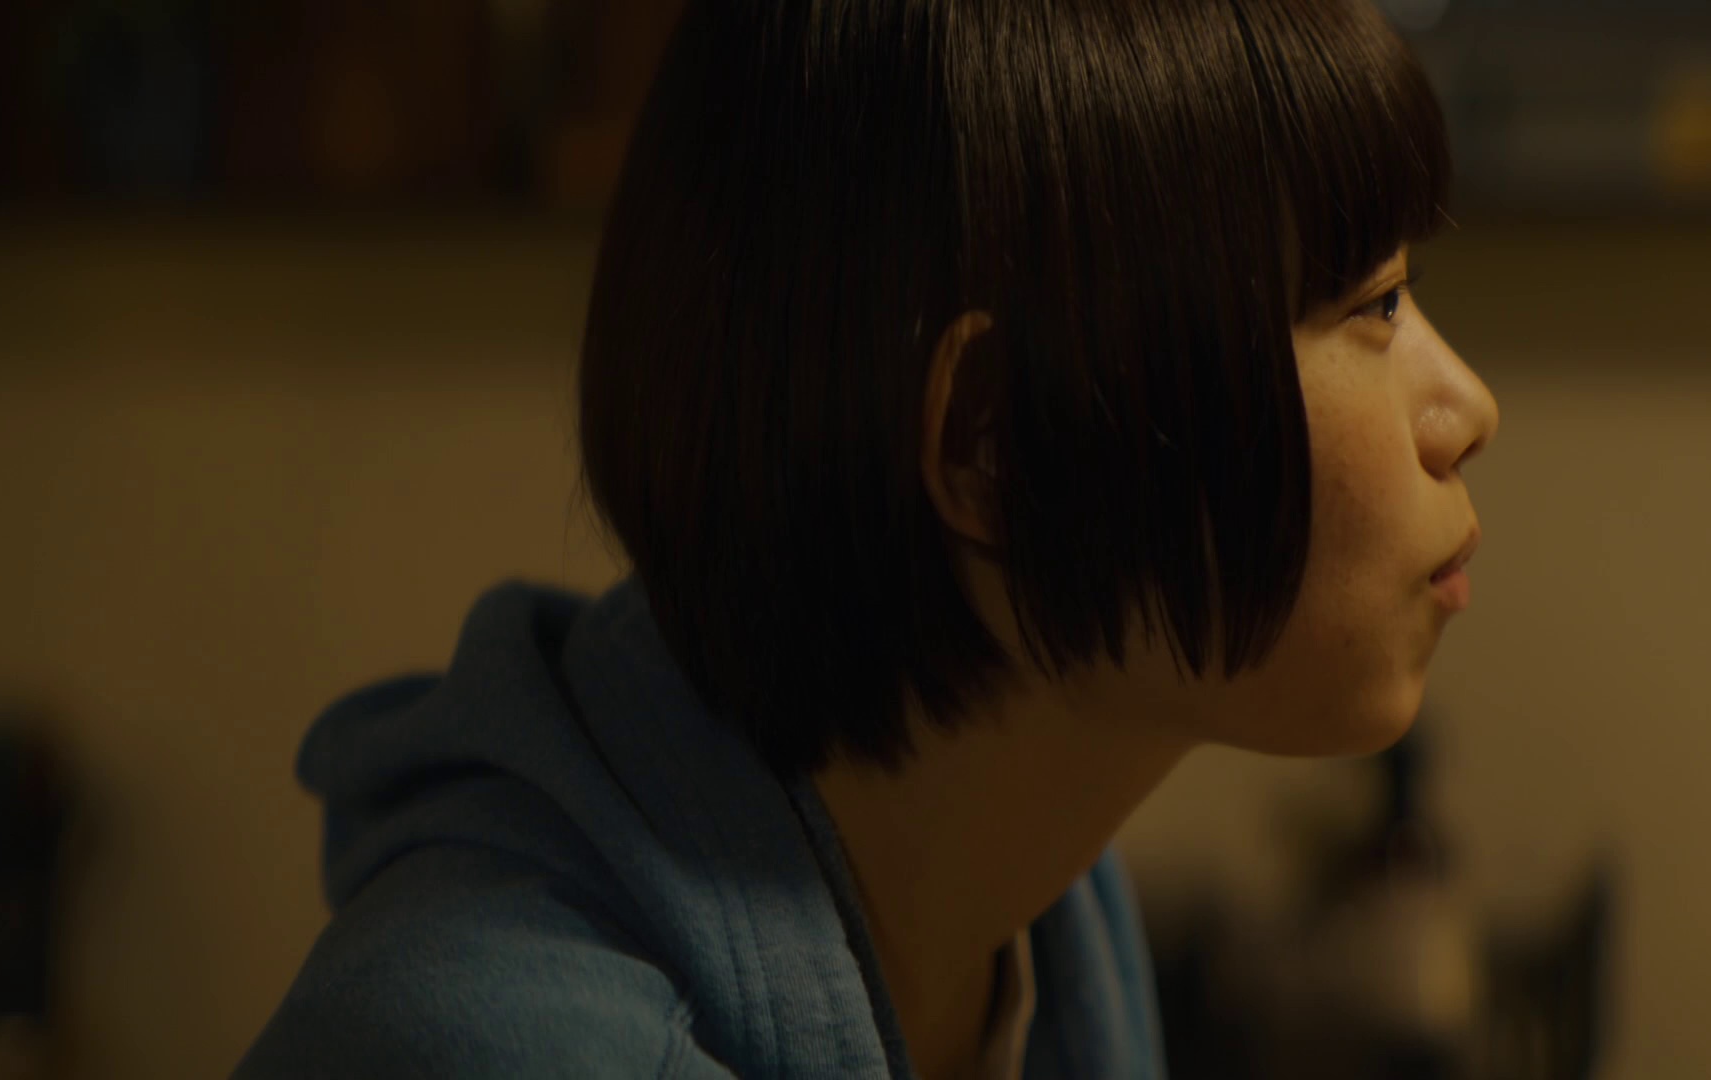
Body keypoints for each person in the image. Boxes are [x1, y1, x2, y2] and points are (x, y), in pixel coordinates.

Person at [235, 0, 1499, 1076]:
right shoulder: (503, 1045)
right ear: (994, 443)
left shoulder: (1044, 914)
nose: (1468, 408)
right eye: (1374, 305)